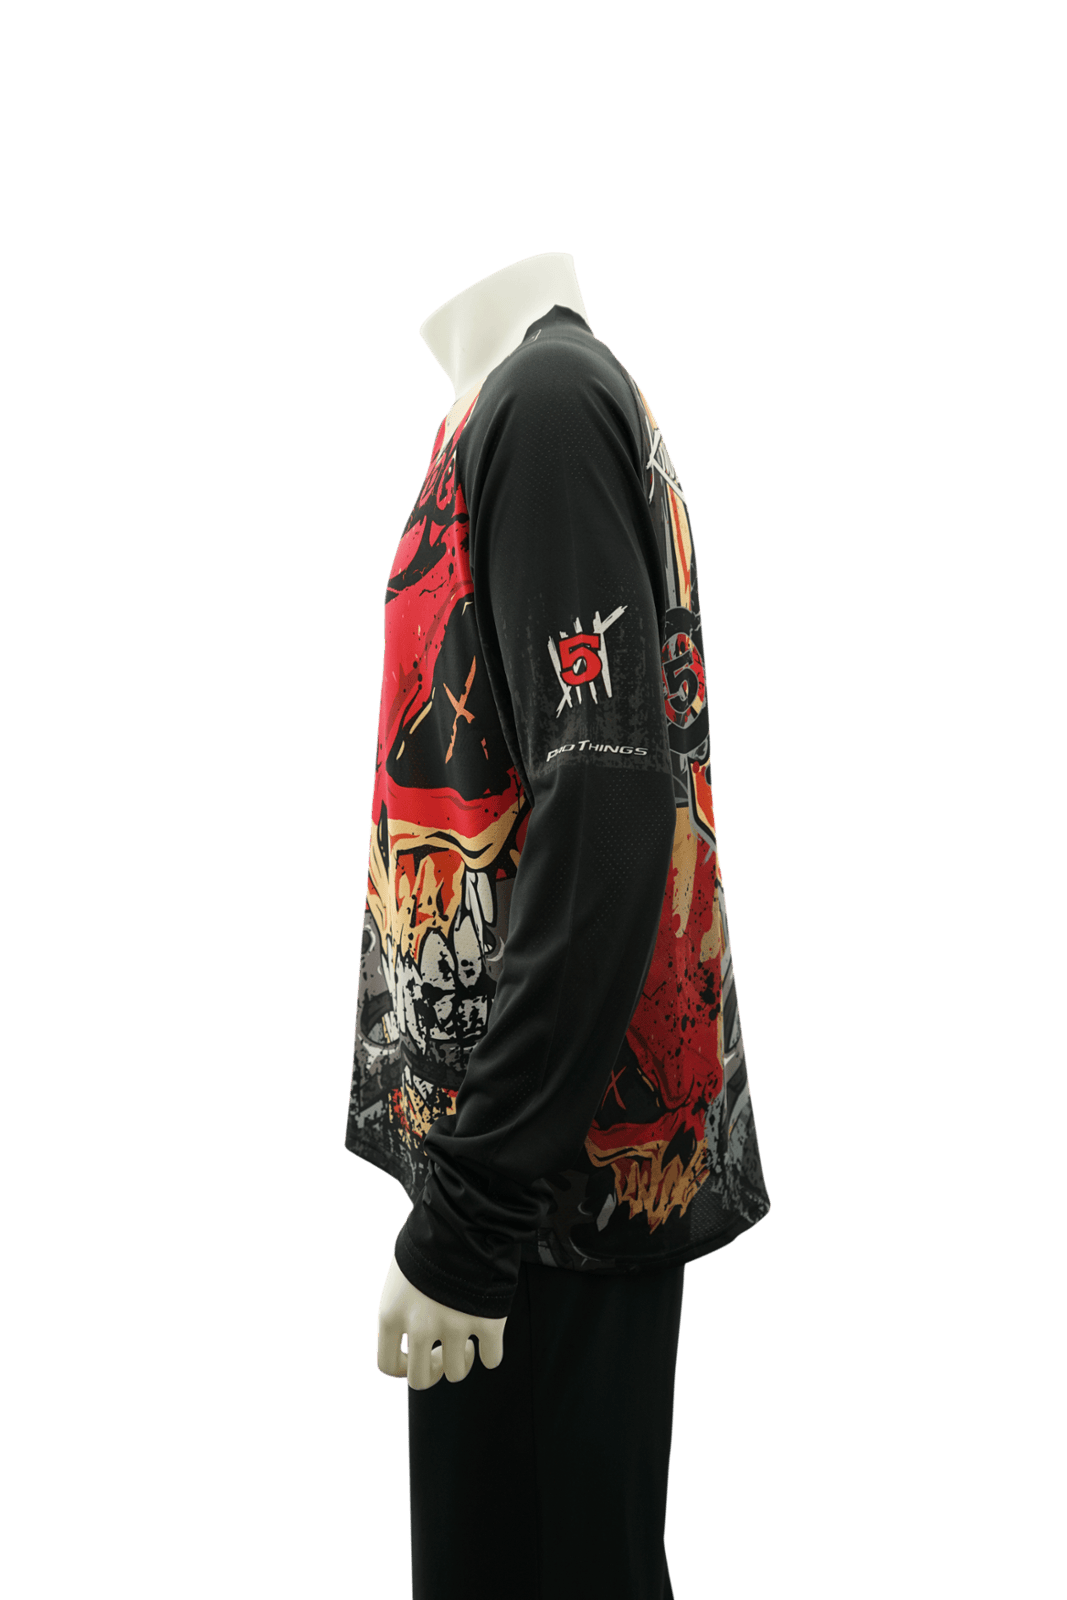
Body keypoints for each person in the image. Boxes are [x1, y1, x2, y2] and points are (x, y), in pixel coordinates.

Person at [345, 252, 772, 1599]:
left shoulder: (544, 407)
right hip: (532, 1157)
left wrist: (469, 1222)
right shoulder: (511, 407)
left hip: (552, 1177)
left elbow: (604, 811)